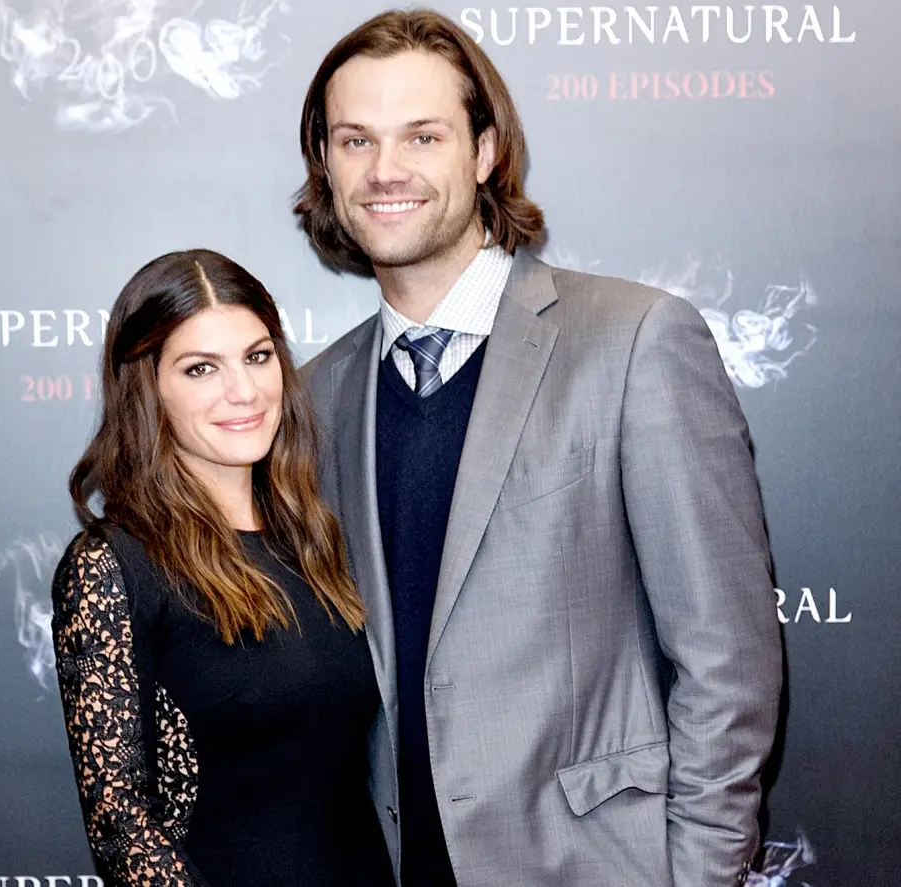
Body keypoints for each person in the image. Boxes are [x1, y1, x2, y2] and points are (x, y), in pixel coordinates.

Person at [294, 9, 783, 887]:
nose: (385, 170)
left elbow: (726, 661)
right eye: (354, 139)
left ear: (484, 152)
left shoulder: (634, 341)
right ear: (325, 167)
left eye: (423, 135)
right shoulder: (316, 395)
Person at [50, 249, 395, 887]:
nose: (244, 391)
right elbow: (121, 828)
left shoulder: (318, 536)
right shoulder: (114, 566)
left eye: (258, 357)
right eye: (201, 368)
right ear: (148, 387)